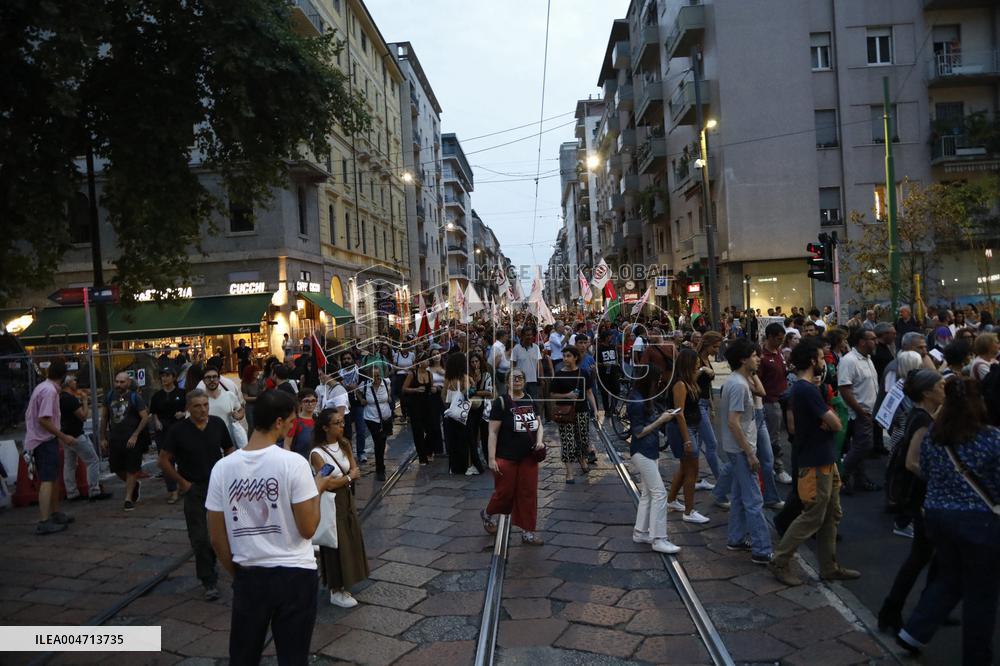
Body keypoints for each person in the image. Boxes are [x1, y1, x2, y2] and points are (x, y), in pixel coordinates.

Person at [206, 390, 329, 666]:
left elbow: (216, 536)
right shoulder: (294, 464)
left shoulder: (222, 469)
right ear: (278, 422)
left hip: (250, 574)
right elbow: (308, 528)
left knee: (243, 656)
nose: (292, 426)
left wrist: (237, 572)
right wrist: (318, 489)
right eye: (291, 421)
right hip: (296, 573)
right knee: (293, 657)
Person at [896, 377, 1000, 664]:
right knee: (981, 592)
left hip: (937, 517)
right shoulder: (990, 438)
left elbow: (925, 470)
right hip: (978, 522)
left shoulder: (933, 435)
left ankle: (914, 632)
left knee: (950, 577)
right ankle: (977, 657)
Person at [769, 337, 858, 586]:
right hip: (815, 462)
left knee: (831, 514)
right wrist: (830, 422)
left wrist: (829, 422)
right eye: (820, 358)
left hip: (824, 459)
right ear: (811, 361)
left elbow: (831, 422)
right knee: (814, 516)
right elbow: (836, 423)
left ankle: (829, 566)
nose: (824, 362)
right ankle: (779, 561)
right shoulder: (805, 389)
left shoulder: (808, 388)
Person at [878, 369, 944, 633]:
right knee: (921, 556)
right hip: (921, 496)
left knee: (931, 556)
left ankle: (931, 605)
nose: (944, 389)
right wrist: (938, 478)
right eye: (940, 386)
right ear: (927, 393)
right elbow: (912, 462)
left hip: (923, 496)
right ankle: (893, 611)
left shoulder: (925, 416)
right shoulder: (921, 421)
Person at [159, 390, 234, 600]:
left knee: (228, 533)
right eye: (197, 406)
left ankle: (236, 572)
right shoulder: (178, 431)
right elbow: (164, 459)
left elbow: (229, 448)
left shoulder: (218, 424)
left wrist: (227, 471)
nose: (202, 410)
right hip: (195, 490)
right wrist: (182, 482)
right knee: (200, 538)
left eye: (205, 405)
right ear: (188, 408)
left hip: (219, 487)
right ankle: (208, 580)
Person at [719, 339, 773, 564]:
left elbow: (762, 391)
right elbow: (733, 422)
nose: (758, 358)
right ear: (742, 359)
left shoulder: (738, 380)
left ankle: (736, 537)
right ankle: (762, 548)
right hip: (742, 449)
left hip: (737, 447)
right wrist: (750, 452)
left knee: (740, 496)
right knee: (754, 499)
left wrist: (751, 371)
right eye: (754, 355)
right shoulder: (740, 385)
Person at [310, 409, 368, 608]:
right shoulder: (317, 453)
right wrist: (349, 478)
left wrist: (345, 478)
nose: (342, 426)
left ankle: (347, 581)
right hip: (331, 501)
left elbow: (355, 469)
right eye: (337, 423)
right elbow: (327, 483)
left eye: (342, 422)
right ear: (325, 427)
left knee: (349, 538)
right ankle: (336, 588)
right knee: (334, 541)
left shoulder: (345, 444)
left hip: (346, 499)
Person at [481, 368, 546, 545]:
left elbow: (539, 424)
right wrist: (492, 458)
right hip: (506, 456)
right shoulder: (501, 402)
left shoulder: (531, 399)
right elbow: (492, 432)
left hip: (528, 456)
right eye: (513, 378)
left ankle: (528, 532)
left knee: (528, 493)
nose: (516, 381)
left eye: (520, 378)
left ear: (524, 381)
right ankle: (488, 513)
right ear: (507, 382)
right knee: (504, 493)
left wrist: (540, 441)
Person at [627, 365, 680, 554]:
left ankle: (641, 532)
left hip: (648, 450)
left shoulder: (642, 398)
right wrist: (661, 420)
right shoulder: (637, 401)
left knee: (649, 493)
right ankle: (659, 539)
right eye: (657, 381)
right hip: (642, 450)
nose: (659, 384)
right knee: (659, 493)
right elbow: (639, 432)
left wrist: (663, 416)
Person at [25, 359, 77, 534]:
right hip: (43, 440)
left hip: (44, 439)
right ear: (63, 377)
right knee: (47, 480)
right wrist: (63, 436)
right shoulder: (49, 392)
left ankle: (54, 513)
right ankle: (44, 520)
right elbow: (44, 419)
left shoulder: (44, 388)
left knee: (52, 478)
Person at [664, 349, 710, 523]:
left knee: (685, 467)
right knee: (692, 469)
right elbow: (679, 413)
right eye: (696, 362)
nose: (699, 364)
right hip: (683, 428)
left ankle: (672, 499)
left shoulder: (690, 380)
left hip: (691, 426)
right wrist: (687, 439)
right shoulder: (680, 384)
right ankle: (689, 511)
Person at [101, 371, 150, 512]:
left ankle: (128, 498)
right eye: (117, 381)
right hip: (115, 438)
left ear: (128, 382)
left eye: (122, 382)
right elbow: (104, 417)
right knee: (116, 467)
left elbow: (145, 417)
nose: (118, 384)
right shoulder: (109, 396)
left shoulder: (135, 398)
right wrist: (103, 437)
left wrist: (135, 435)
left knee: (132, 468)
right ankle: (134, 485)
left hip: (132, 439)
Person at [838, 328, 880, 493]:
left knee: (860, 446)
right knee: (863, 445)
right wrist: (860, 411)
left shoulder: (867, 358)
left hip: (868, 410)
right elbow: (845, 389)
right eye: (872, 338)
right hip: (859, 412)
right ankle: (841, 477)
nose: (876, 341)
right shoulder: (850, 361)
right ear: (862, 341)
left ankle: (860, 480)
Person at [550, 346, 598, 483]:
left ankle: (582, 460)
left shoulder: (583, 372)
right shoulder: (559, 374)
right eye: (564, 356)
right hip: (565, 413)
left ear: (575, 357)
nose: (565, 359)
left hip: (582, 411)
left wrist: (594, 409)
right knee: (567, 442)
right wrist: (567, 395)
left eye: (569, 356)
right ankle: (569, 473)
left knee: (583, 439)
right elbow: (552, 395)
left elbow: (589, 392)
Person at [60, 374, 111, 502]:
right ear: (69, 383)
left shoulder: (60, 398)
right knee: (93, 460)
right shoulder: (70, 399)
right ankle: (94, 490)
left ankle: (71, 492)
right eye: (74, 380)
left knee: (69, 464)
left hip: (65, 434)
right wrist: (84, 401)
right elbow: (83, 416)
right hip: (76, 435)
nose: (76, 383)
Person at [758, 323, 793, 485]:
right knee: (774, 438)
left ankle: (771, 465)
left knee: (778, 436)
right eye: (778, 338)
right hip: (770, 401)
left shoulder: (778, 353)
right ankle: (777, 467)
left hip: (782, 399)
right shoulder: (762, 357)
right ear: (770, 337)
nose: (781, 341)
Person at [150, 367, 188, 504]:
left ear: (173, 377)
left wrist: (183, 414)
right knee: (166, 461)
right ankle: (172, 490)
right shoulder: (157, 395)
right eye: (162, 376)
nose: (164, 378)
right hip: (163, 430)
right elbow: (153, 411)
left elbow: (188, 407)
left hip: (178, 428)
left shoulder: (182, 393)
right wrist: (157, 421)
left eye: (167, 375)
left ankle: (184, 484)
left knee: (183, 459)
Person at [695, 332, 723, 491]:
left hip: (704, 403)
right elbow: (690, 379)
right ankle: (722, 482)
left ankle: (694, 478)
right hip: (697, 404)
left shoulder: (706, 360)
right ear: (707, 345)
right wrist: (703, 370)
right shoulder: (696, 359)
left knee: (697, 446)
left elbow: (708, 387)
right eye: (715, 347)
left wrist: (712, 406)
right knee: (711, 444)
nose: (717, 350)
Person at [443, 352, 479, 475]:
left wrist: (449, 406)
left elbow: (443, 396)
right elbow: (466, 394)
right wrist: (473, 385)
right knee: (467, 441)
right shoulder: (465, 377)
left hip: (451, 414)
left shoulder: (448, 379)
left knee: (453, 441)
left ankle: (453, 467)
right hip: (464, 414)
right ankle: (468, 466)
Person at [359, 364, 393, 482]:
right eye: (374, 376)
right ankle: (380, 469)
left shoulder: (386, 382)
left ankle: (380, 466)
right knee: (378, 441)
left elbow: (390, 390)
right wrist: (361, 399)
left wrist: (389, 396)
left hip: (385, 418)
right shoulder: (365, 386)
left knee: (382, 442)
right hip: (371, 418)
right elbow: (357, 392)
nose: (377, 378)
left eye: (378, 375)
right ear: (369, 376)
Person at [285, 389, 318, 459]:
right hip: (298, 461)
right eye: (306, 401)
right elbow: (286, 445)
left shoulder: (318, 420)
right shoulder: (295, 421)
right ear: (300, 403)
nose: (310, 404)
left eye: (313, 401)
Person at [511, 329, 542, 400]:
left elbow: (539, 364)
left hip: (533, 381)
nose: (530, 337)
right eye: (527, 335)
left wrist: (541, 377)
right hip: (520, 382)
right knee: (521, 402)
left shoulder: (536, 347)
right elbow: (513, 365)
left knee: (534, 403)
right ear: (522, 336)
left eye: (531, 335)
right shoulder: (516, 348)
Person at [392, 343, 415, 421]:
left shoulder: (412, 355)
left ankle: (410, 414)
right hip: (400, 377)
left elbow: (415, 365)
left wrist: (410, 369)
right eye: (404, 348)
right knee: (402, 396)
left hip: (409, 376)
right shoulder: (397, 355)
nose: (405, 350)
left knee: (410, 395)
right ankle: (404, 414)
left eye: (407, 348)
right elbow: (394, 367)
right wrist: (403, 368)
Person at [490, 330, 511, 396]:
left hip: (506, 376)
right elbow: (493, 365)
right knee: (503, 394)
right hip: (500, 377)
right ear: (502, 337)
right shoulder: (496, 347)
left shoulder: (502, 346)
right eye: (506, 336)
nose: (507, 338)